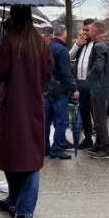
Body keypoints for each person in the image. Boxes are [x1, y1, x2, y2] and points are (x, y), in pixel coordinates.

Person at [0, 5, 54, 218]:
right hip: (34, 105)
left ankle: (16, 200)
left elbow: (1, 72)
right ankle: (24, 207)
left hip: (13, 106)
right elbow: (48, 72)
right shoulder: (41, 43)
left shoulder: (9, 42)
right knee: (31, 156)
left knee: (13, 153)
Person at [85, 21, 109, 159]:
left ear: (94, 31)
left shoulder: (99, 45)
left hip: (99, 86)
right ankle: (99, 144)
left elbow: (98, 66)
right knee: (100, 116)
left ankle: (105, 148)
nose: (88, 33)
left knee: (100, 118)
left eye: (90, 30)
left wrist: (89, 78)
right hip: (108, 85)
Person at [45, 25, 77, 159]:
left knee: (46, 121)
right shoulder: (62, 50)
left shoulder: (46, 47)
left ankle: (44, 147)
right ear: (65, 35)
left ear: (53, 35)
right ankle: (56, 149)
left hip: (46, 88)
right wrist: (74, 88)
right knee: (62, 121)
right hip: (60, 90)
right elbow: (65, 72)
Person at [69, 18, 97, 148]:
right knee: (83, 110)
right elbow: (68, 57)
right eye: (83, 30)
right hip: (80, 82)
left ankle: (100, 141)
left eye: (87, 30)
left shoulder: (97, 44)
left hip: (92, 83)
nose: (84, 33)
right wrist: (77, 45)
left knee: (95, 111)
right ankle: (88, 138)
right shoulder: (82, 44)